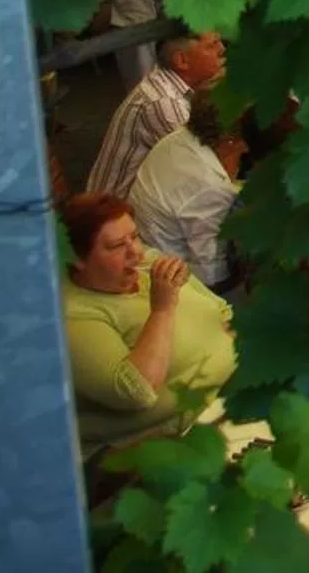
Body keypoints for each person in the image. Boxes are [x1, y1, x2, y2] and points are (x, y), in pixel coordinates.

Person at [59, 193, 236, 455]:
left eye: (135, 236)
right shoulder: (73, 316)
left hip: (231, 396)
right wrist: (162, 309)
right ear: (78, 259)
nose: (136, 253)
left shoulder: (149, 265)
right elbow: (135, 392)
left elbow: (222, 312)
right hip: (171, 442)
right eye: (118, 245)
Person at [87, 29, 227, 197]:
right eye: (212, 45)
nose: (222, 49)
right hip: (118, 214)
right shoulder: (163, 103)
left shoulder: (171, 83)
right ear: (182, 60)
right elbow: (210, 163)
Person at [126, 93, 243, 291]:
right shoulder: (210, 186)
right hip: (175, 282)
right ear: (231, 138)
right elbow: (213, 273)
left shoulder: (178, 138)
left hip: (151, 251)